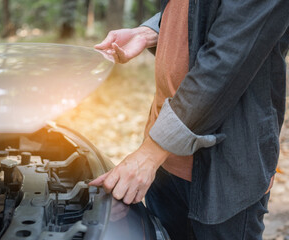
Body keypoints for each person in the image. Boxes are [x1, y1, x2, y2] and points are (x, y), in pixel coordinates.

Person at [89, 0, 289, 239]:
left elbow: (225, 64)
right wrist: (150, 31)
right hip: (164, 162)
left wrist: (150, 153)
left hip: (224, 172)